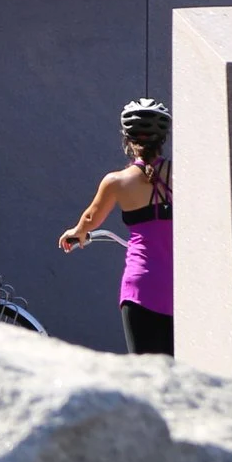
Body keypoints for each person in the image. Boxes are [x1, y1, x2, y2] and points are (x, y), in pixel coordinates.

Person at [59, 97, 174, 355]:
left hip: (141, 288)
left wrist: (76, 233)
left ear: (127, 139)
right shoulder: (182, 175)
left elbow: (91, 219)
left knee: (143, 369)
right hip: (180, 286)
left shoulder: (116, 182)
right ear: (162, 139)